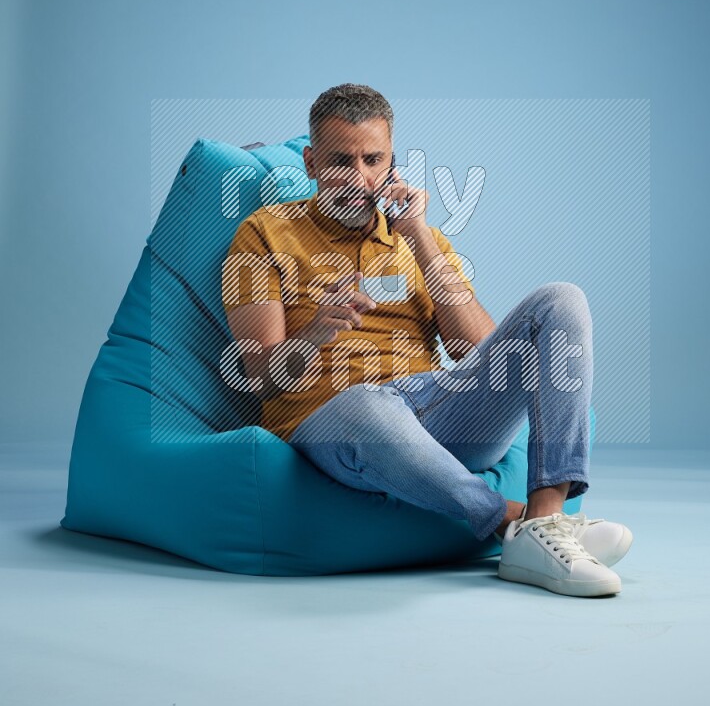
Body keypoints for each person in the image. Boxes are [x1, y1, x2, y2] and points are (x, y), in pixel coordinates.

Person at [221, 83, 633, 597]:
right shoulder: (264, 234)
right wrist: (313, 333)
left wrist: (416, 234)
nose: (359, 177)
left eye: (373, 160)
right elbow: (256, 375)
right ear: (310, 162)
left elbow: (483, 355)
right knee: (370, 405)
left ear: (392, 161)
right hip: (335, 424)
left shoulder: (422, 239)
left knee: (561, 299)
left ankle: (546, 521)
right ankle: (509, 521)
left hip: (435, 410)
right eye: (340, 161)